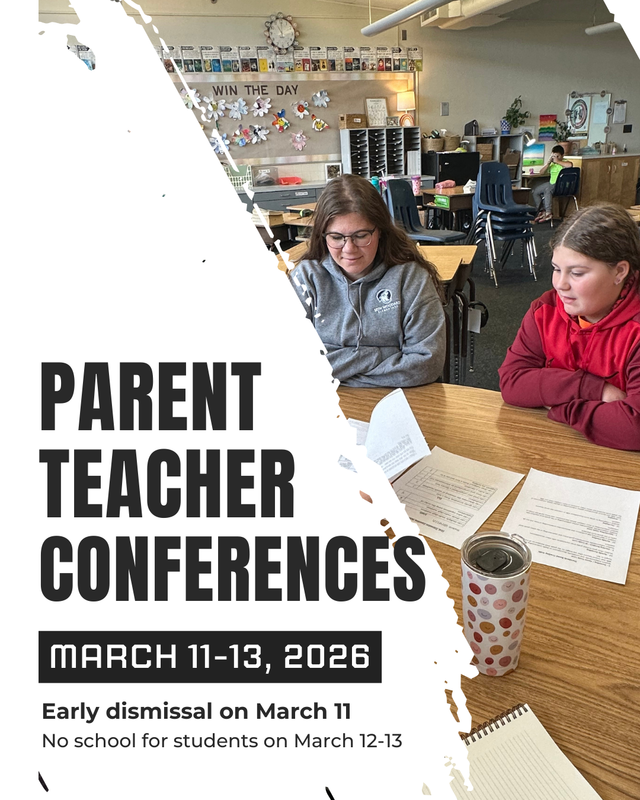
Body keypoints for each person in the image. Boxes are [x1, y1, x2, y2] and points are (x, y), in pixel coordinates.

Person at [499, 203, 640, 450]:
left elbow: (634, 429)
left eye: (577, 273)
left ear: (620, 272)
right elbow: (512, 382)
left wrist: (558, 405)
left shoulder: (635, 331)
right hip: (557, 449)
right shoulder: (545, 311)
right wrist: (592, 390)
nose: (560, 285)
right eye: (556, 269)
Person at [288, 174, 446, 387]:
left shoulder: (411, 279)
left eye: (361, 235)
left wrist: (334, 367)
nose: (349, 248)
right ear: (323, 236)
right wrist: (381, 355)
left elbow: (427, 364)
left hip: (402, 403)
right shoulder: (306, 279)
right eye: (336, 237)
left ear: (380, 231)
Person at [532, 145, 573, 223]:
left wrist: (558, 161)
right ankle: (542, 211)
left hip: (560, 186)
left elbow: (570, 165)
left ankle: (548, 212)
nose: (556, 157)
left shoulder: (564, 162)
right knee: (535, 191)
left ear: (562, 155)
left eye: (558, 156)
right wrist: (548, 163)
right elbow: (541, 172)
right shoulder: (552, 164)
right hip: (551, 184)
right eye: (554, 156)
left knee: (547, 190)